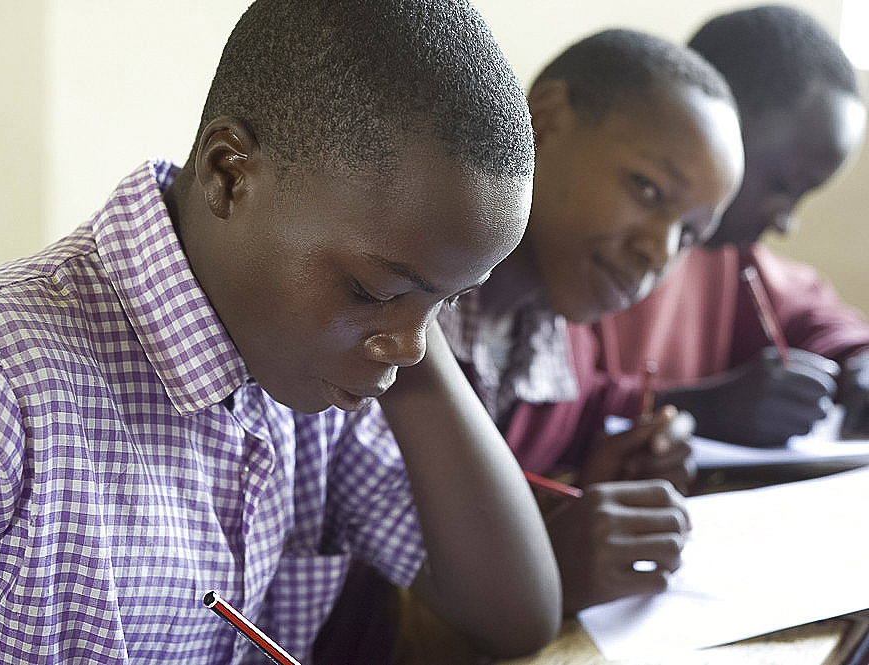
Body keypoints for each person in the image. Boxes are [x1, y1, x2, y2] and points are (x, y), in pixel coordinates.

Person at [0, 1, 563, 663]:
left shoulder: (316, 375)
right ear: (228, 175)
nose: (409, 347)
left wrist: (412, 308)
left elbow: (515, 614)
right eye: (374, 288)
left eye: (446, 305)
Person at [315, 26, 744, 658]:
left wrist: (591, 475)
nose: (659, 250)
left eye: (691, 233)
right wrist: (538, 568)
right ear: (543, 122)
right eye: (647, 190)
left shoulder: (556, 339)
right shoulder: (384, 321)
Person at [504, 1, 869, 616]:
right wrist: (703, 405)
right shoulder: (571, 259)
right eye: (781, 181)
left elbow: (812, 313)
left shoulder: (721, 251)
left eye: (691, 229)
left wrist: (859, 358)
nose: (785, 218)